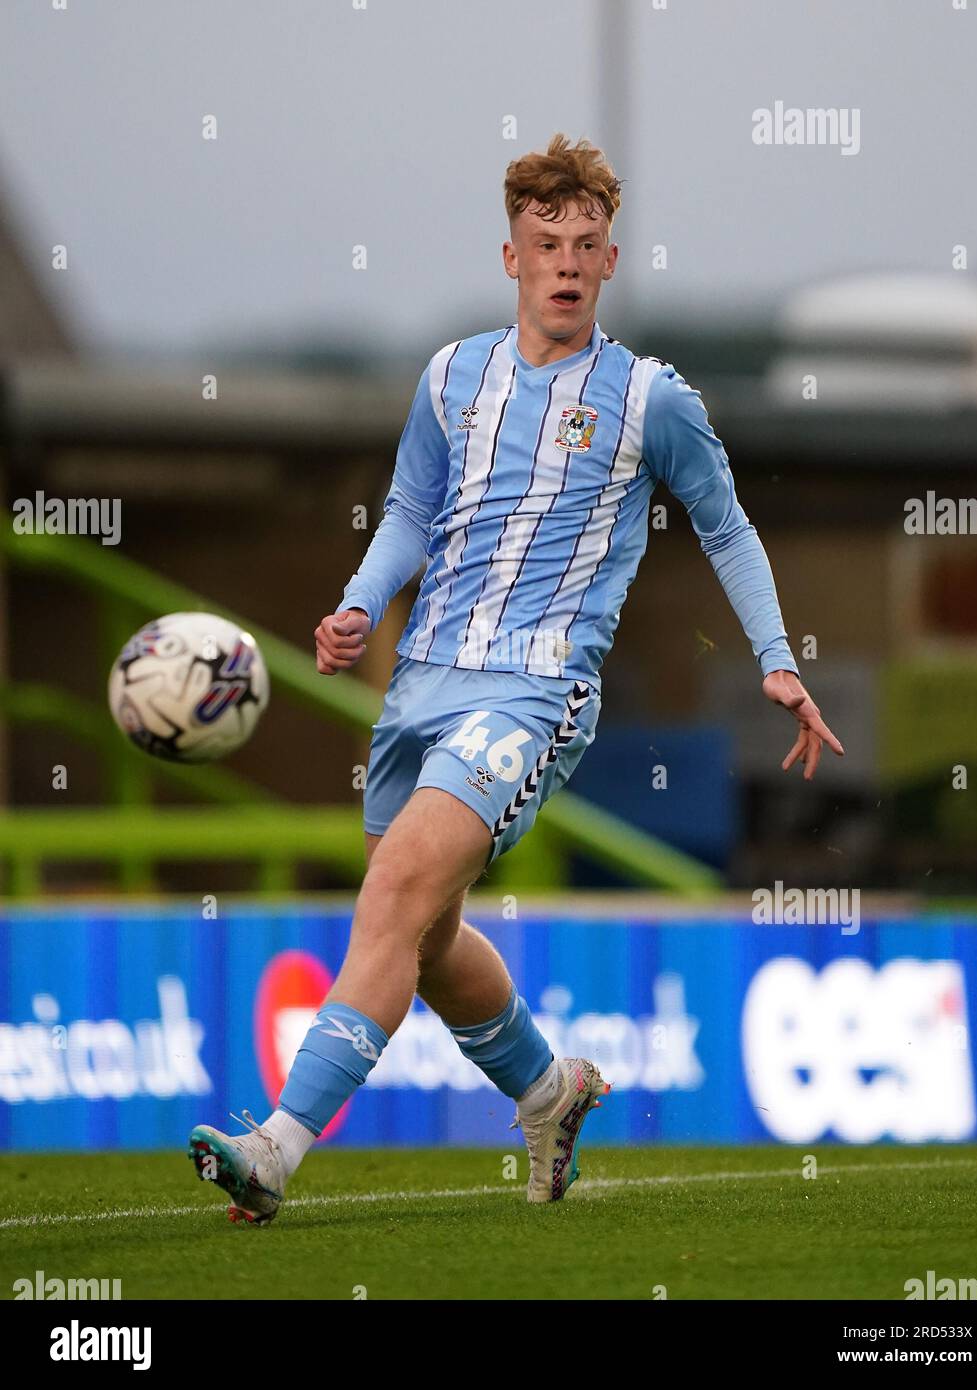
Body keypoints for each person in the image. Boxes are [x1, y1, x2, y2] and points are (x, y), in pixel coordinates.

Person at [188, 132, 843, 1224]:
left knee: (390, 895)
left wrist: (776, 661)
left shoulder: (649, 400)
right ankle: (548, 1089)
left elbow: (726, 529)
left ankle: (274, 1149)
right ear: (512, 256)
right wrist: (359, 603)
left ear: (610, 260)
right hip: (421, 683)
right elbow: (407, 509)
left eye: (586, 243)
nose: (567, 261)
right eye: (547, 242)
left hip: (533, 692)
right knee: (429, 934)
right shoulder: (450, 376)